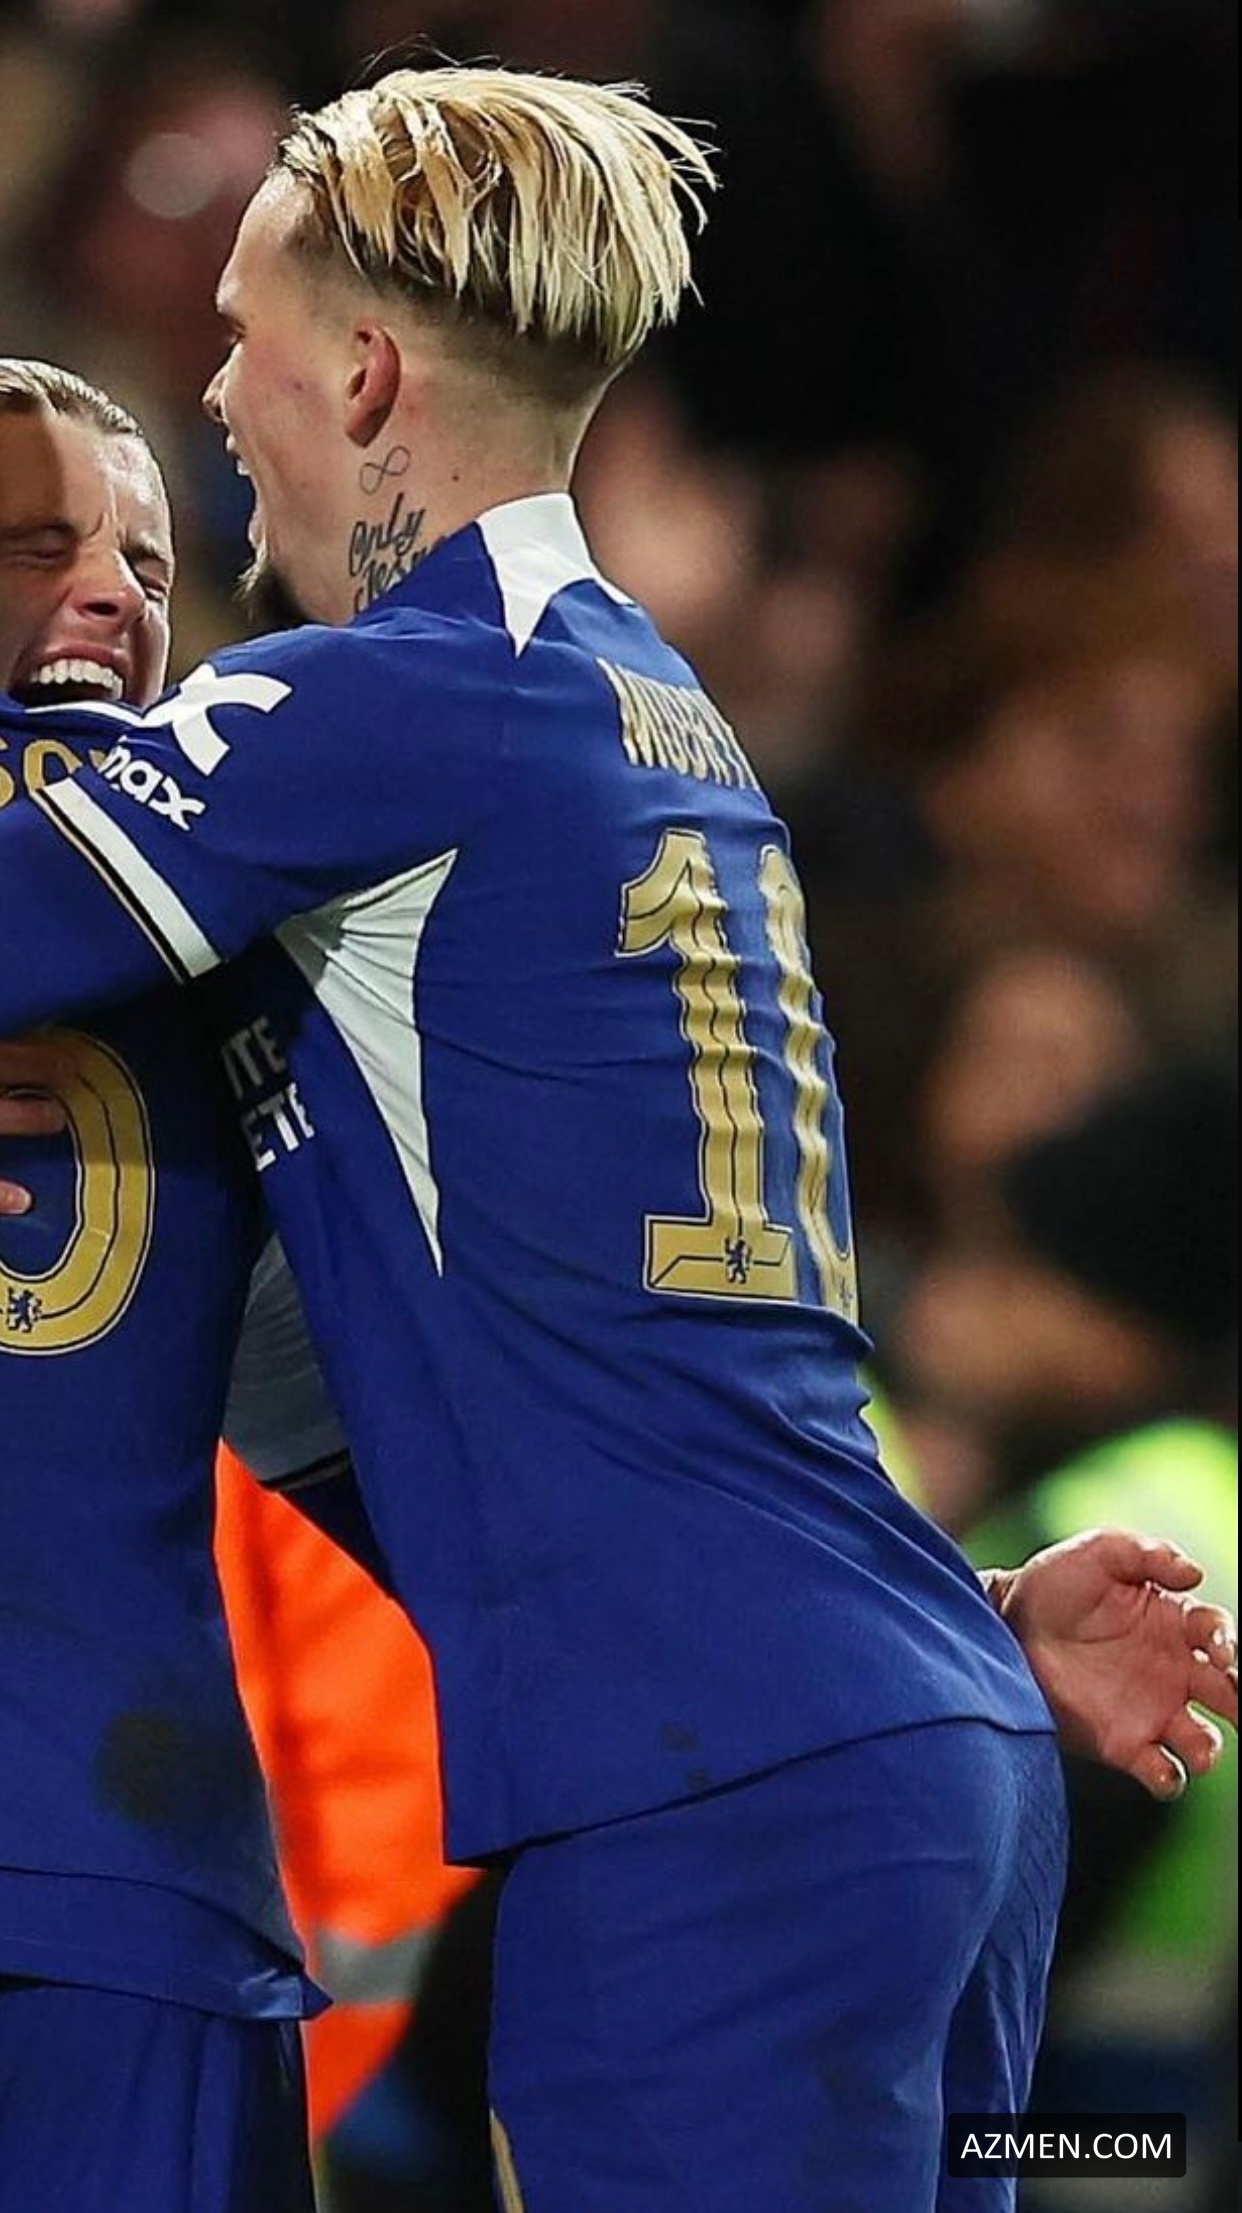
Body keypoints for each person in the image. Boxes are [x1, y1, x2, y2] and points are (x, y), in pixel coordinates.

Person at [0, 75, 1235, 2210]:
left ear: (360, 373)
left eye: (239, 337)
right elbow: (495, 1373)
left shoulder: (382, 707)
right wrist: (947, 1620)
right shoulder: (664, 717)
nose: (212, 399)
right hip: (903, 1729)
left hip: (715, 1798)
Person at [0, 360, 321, 2213]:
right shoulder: (262, 882)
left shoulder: (223, 915)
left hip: (130, 1875)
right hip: (131, 1881)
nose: (110, 593)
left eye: (144, 560)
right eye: (32, 545)